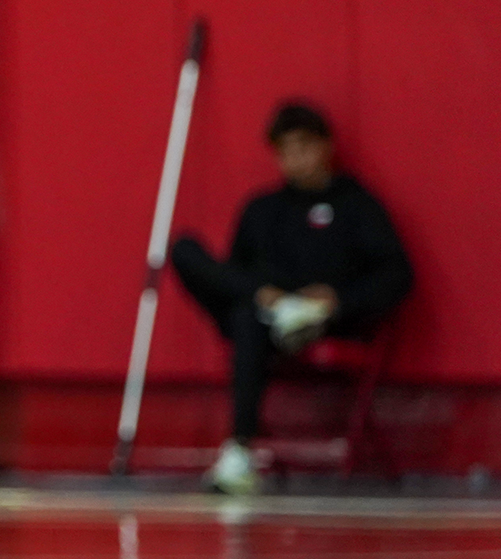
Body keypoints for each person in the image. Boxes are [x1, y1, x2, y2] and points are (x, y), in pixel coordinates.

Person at [170, 101, 412, 494]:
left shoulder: (357, 206)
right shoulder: (262, 209)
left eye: (303, 146)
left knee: (249, 318)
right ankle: (276, 312)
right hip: (262, 314)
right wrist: (262, 294)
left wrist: (336, 300)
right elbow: (232, 274)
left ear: (325, 146)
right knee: (188, 253)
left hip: (326, 319)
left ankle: (240, 447)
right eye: (284, 150)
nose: (295, 158)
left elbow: (397, 274)